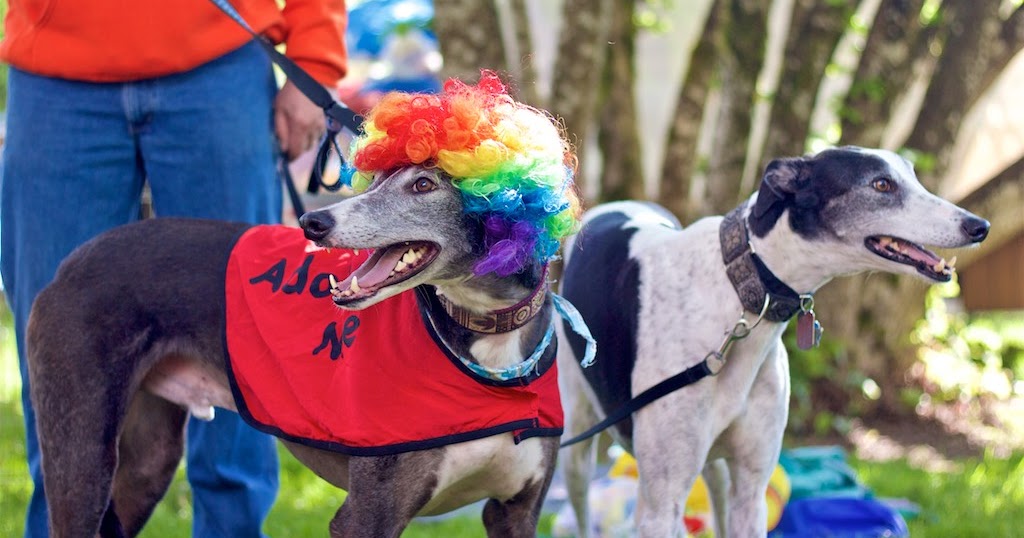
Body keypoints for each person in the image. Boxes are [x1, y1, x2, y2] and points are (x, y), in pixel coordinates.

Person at [0, 1, 347, 536]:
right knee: (58, 352)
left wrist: (316, 61)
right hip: (55, 78)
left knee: (249, 339)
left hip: (219, 65)